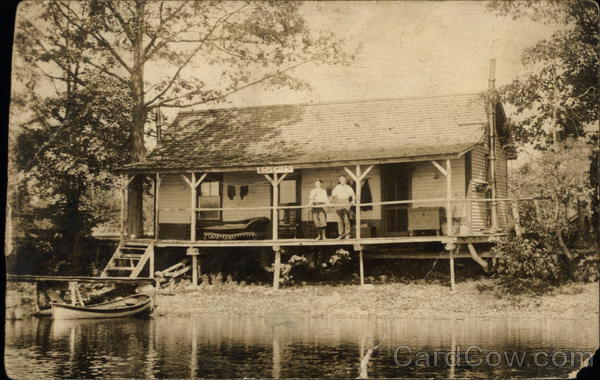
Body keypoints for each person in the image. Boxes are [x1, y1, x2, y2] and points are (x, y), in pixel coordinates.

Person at [330, 175, 356, 239]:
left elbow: (353, 195)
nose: (342, 181)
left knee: (346, 218)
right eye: (341, 179)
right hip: (339, 202)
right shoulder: (337, 187)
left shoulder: (348, 187)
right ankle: (341, 234)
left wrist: (353, 201)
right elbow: (332, 195)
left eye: (343, 179)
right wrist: (329, 202)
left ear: (345, 180)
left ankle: (347, 234)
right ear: (339, 180)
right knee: (340, 219)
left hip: (346, 201)